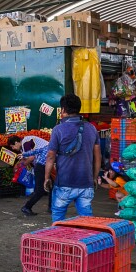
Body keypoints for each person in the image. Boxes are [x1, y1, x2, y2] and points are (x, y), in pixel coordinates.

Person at [43, 94, 101, 222]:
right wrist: (95, 177)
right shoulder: (92, 128)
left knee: (58, 217)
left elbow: (51, 157)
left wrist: (47, 178)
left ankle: (58, 240)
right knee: (87, 219)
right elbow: (98, 156)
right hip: (86, 183)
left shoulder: (58, 130)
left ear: (63, 110)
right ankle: (88, 241)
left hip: (64, 182)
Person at [19, 136, 51, 216]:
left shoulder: (48, 146)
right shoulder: (54, 147)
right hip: (41, 168)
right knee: (40, 191)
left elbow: (36, 151)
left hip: (41, 167)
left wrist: (23, 154)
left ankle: (51, 207)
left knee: (51, 187)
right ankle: (27, 207)